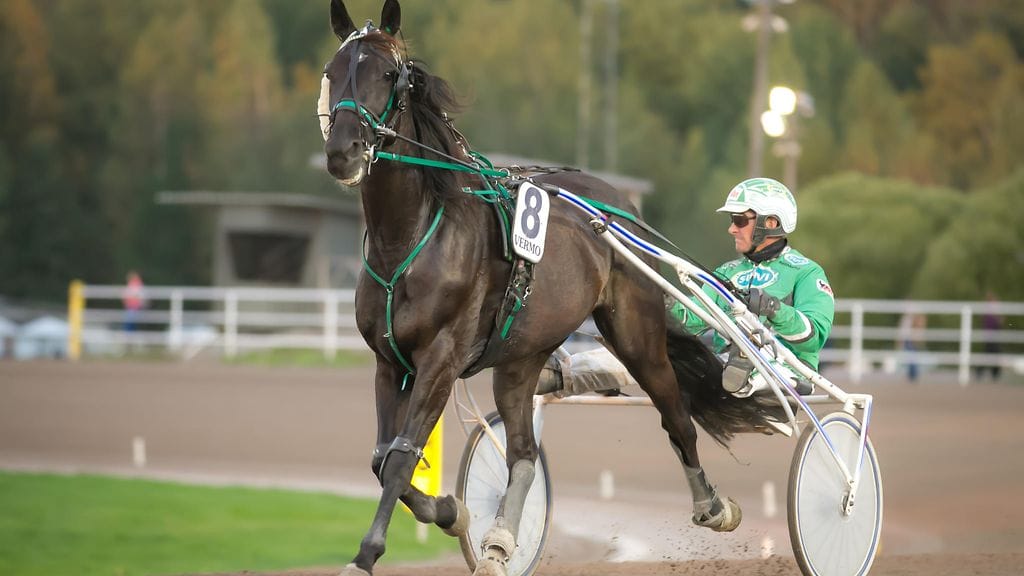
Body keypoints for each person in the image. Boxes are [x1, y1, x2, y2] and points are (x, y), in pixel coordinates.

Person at [537, 177, 835, 398]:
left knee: (748, 365)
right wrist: (659, 302)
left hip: (786, 374)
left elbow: (812, 339)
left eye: (740, 220)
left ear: (771, 223)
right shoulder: (727, 273)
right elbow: (690, 321)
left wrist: (773, 308)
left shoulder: (806, 273)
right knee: (646, 350)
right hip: (718, 370)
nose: (732, 228)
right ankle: (564, 375)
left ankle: (746, 374)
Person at [122, 270, 146, 335]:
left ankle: (129, 337)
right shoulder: (134, 285)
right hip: (132, 308)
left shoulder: (136, 285)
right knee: (130, 323)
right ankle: (129, 338)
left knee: (130, 323)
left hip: (135, 308)